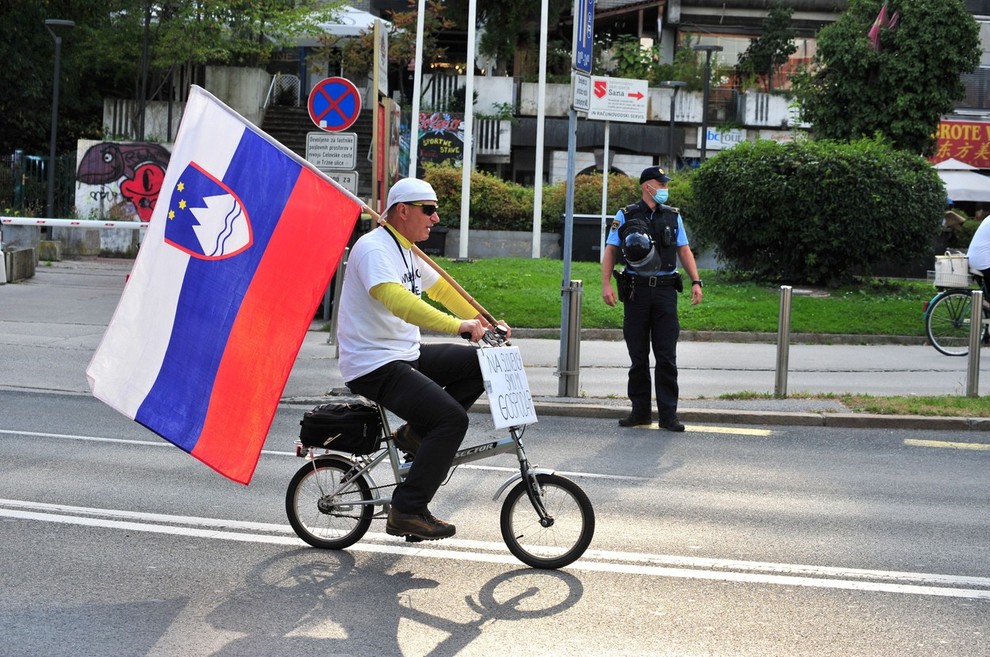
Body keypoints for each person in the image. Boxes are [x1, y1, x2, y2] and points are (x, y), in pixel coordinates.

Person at [337, 177, 510, 541]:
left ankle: (414, 435)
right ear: (403, 211)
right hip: (373, 364)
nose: (435, 218)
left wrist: (486, 322)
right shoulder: (374, 249)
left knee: (481, 363)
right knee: (450, 419)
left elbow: (443, 289)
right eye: (428, 210)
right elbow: (401, 303)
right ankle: (407, 510)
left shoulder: (408, 249)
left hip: (404, 354)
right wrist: (458, 326)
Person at [600, 166, 703, 431]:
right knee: (638, 356)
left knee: (666, 355)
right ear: (648, 186)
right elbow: (611, 250)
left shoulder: (673, 216)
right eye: (661, 183)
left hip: (666, 291)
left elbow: (684, 249)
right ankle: (640, 411)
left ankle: (669, 415)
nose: (665, 188)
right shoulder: (625, 215)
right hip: (636, 291)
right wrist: (606, 285)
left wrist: (696, 281)